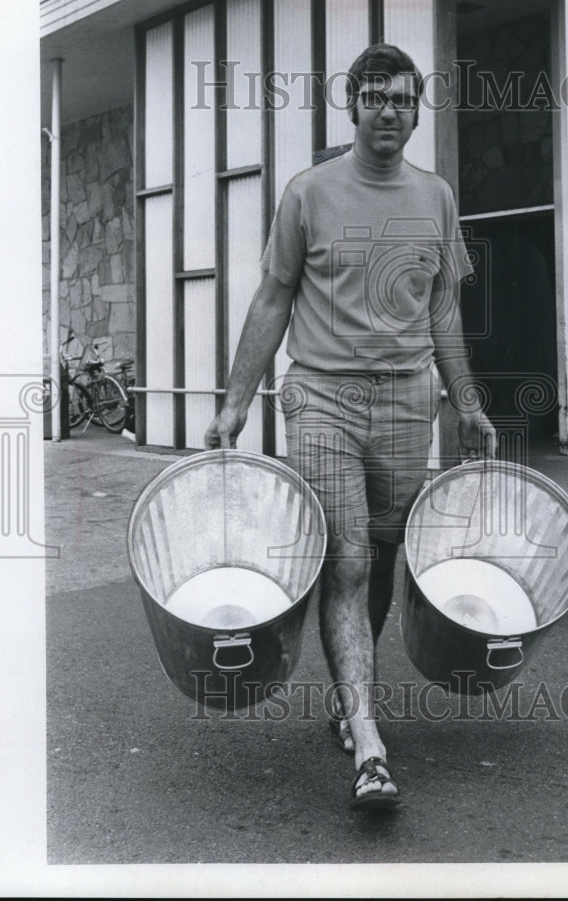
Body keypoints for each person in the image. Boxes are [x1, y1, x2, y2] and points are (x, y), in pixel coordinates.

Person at [205, 43, 496, 811]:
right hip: (321, 397)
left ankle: (346, 693)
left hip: (406, 400)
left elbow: (441, 308)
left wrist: (464, 401)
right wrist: (236, 401)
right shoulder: (308, 193)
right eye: (376, 99)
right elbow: (272, 298)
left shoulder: (434, 196)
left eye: (403, 100)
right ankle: (368, 741)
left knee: (380, 557)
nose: (390, 112)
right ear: (351, 104)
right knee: (347, 560)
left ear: (416, 108)